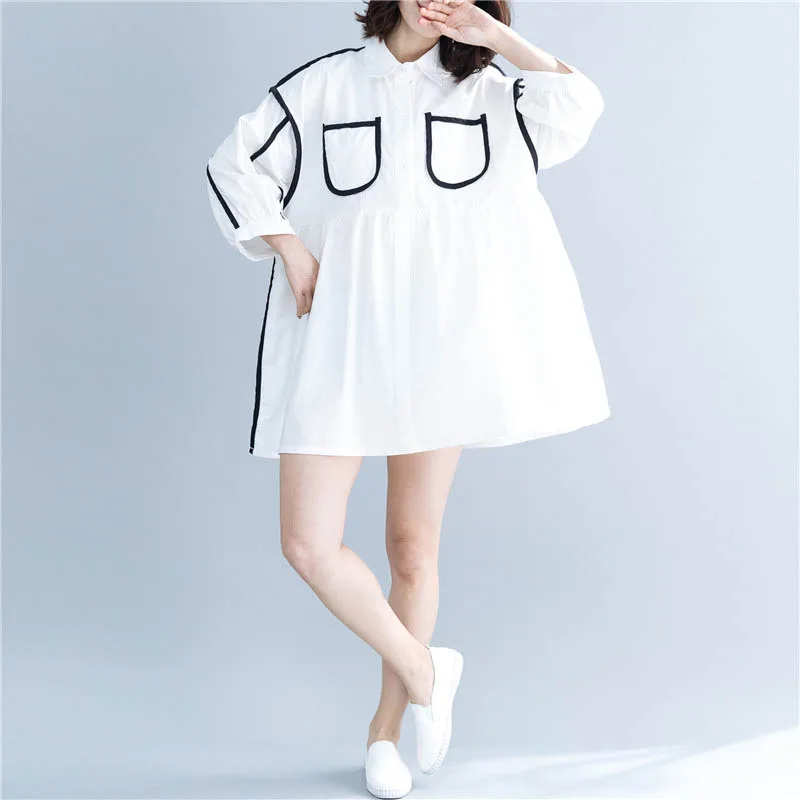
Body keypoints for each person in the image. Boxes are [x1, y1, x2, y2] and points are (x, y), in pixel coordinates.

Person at [205, 0, 611, 795]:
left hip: (439, 342)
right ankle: (428, 671)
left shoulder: (492, 93)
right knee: (308, 544)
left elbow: (579, 104)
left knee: (411, 548)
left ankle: (385, 734)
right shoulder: (325, 86)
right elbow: (233, 164)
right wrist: (287, 246)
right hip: (339, 337)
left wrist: (496, 38)